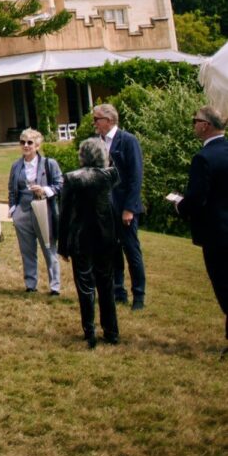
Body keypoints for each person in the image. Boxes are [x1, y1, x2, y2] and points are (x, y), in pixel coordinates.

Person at [172, 103, 228, 356]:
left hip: (217, 233)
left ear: (205, 125)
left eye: (195, 120)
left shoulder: (203, 158)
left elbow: (197, 198)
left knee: (224, 285)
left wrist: (179, 205)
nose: (193, 124)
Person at [58, 136, 121, 348]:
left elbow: (64, 212)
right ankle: (111, 330)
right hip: (104, 235)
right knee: (106, 283)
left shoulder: (72, 178)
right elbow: (115, 166)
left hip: (81, 235)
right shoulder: (109, 176)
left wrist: (63, 245)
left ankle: (90, 329)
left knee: (85, 285)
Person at [92, 103, 146, 310]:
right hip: (105, 207)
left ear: (109, 120)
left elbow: (135, 177)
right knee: (112, 251)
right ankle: (118, 291)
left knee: (131, 251)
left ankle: (139, 296)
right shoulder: (97, 142)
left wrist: (129, 208)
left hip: (124, 206)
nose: (94, 123)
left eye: (97, 119)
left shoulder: (127, 141)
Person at [7, 127, 63, 296]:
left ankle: (55, 286)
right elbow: (11, 189)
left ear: (37, 145)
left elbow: (60, 184)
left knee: (49, 248)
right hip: (22, 211)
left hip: (43, 209)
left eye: (30, 142)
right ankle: (31, 284)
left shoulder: (48, 164)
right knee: (27, 250)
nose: (26, 146)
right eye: (22, 142)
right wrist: (13, 209)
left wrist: (45, 190)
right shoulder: (16, 165)